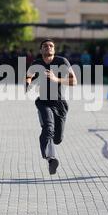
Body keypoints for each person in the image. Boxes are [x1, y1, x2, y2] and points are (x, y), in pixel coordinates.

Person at [26, 39, 77, 175]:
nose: (48, 47)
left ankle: (51, 150)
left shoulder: (62, 62)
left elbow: (74, 81)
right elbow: (29, 75)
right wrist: (28, 83)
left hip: (60, 103)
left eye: (51, 46)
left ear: (54, 49)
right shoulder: (36, 63)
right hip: (43, 102)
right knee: (48, 128)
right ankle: (51, 159)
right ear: (41, 50)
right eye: (45, 46)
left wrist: (57, 79)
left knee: (57, 138)